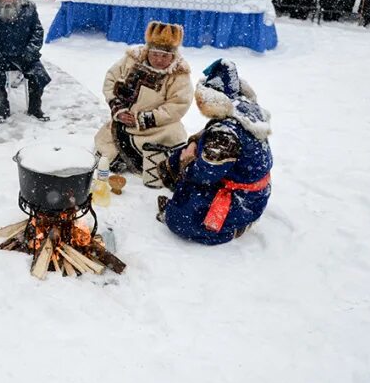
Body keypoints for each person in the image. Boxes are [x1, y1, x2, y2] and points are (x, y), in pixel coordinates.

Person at [157, 59, 272, 246]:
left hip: (241, 198)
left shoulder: (225, 134)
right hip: (239, 179)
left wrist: (187, 164)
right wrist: (193, 145)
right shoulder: (240, 111)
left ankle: (232, 227)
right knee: (178, 157)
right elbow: (211, 140)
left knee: (180, 221)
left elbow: (204, 174)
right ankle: (183, 193)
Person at [94, 22, 192, 188]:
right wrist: (119, 110)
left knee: (170, 142)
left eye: (164, 56)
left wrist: (144, 118)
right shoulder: (132, 59)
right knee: (106, 151)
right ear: (148, 50)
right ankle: (121, 158)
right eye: (155, 54)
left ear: (173, 56)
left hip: (159, 127)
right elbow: (110, 80)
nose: (159, 60)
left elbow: (178, 105)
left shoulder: (178, 73)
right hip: (124, 122)